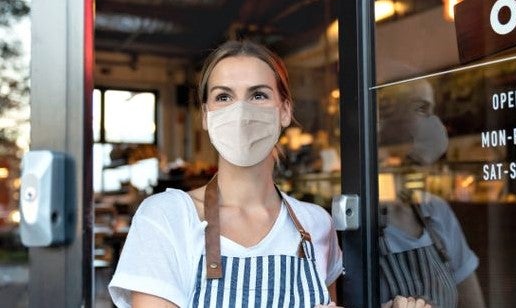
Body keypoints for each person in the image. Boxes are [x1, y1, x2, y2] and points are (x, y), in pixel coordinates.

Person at [109, 40, 344, 308]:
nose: (241, 112)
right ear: (206, 117)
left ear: (285, 111)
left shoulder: (316, 224)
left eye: (258, 95)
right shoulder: (166, 218)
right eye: (224, 97)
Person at [377, 79, 485, 308]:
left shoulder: (435, 211)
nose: (434, 122)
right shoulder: (354, 220)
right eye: (421, 108)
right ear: (385, 119)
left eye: (432, 111)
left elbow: (473, 302)